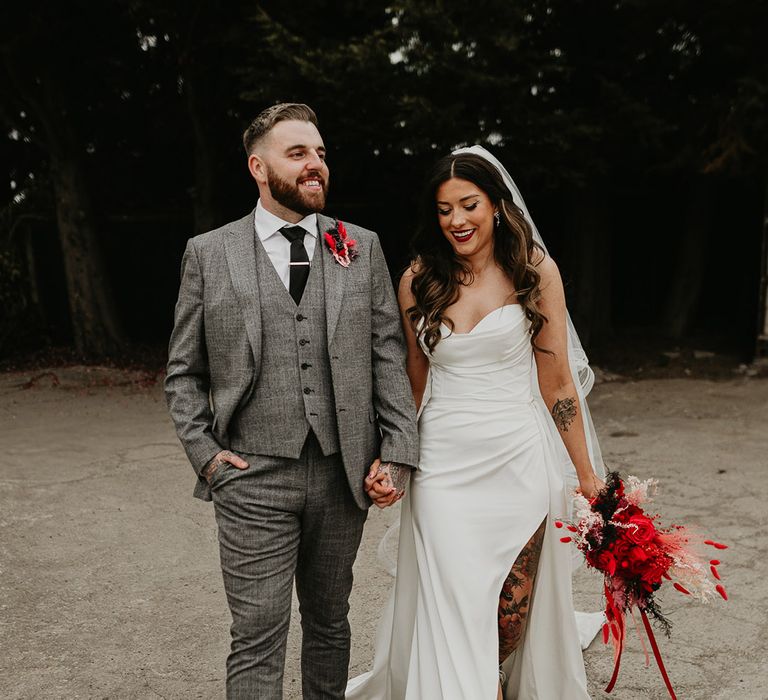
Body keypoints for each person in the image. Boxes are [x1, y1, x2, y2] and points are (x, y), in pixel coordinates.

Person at [164, 102, 419, 699]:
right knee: (256, 636)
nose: (315, 166)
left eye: (321, 154)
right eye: (298, 153)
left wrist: (397, 451)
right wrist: (206, 455)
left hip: (342, 474)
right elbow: (183, 371)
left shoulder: (361, 246)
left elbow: (389, 355)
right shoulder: (209, 253)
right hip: (252, 476)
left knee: (330, 625)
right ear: (258, 166)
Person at [348, 146, 606, 699]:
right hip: (443, 461)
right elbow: (410, 386)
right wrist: (390, 458)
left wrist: (587, 476)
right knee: (457, 601)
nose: (457, 221)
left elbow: (558, 382)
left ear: (496, 205)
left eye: (468, 205)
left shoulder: (534, 271)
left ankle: (492, 674)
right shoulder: (419, 280)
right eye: (444, 210)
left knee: (512, 609)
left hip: (518, 457)